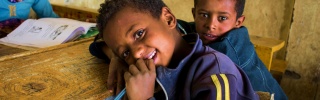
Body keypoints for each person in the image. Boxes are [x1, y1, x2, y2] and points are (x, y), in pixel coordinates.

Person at [95, 0, 259, 99]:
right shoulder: (152, 74)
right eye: (126, 52)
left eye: (139, 34)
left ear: (168, 19)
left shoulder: (215, 72)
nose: (136, 53)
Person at [177, 0, 288, 100]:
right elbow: (184, 26)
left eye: (222, 18)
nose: (211, 25)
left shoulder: (226, 52)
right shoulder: (211, 32)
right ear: (194, 14)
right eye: (204, 15)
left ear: (238, 22)